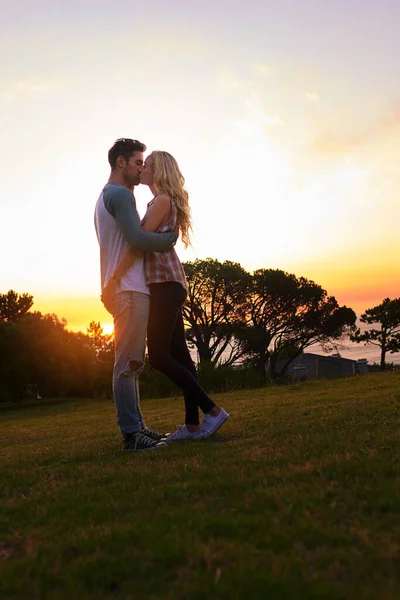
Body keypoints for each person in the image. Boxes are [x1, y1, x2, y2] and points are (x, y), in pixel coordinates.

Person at [101, 150, 229, 441]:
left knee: (158, 355)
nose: (142, 168)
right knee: (182, 357)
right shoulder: (159, 200)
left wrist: (115, 278)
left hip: (164, 283)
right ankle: (193, 426)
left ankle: (212, 410)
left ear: (157, 171)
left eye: (147, 165)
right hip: (169, 282)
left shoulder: (160, 201)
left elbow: (138, 244)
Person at [94, 138, 178, 451]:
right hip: (128, 289)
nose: (142, 168)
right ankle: (132, 435)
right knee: (127, 364)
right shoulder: (120, 195)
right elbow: (138, 240)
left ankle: (138, 426)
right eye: (138, 162)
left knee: (132, 364)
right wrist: (170, 239)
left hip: (124, 288)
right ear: (121, 163)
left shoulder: (110, 195)